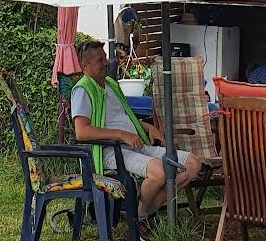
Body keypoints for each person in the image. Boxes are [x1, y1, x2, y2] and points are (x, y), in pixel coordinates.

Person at [70, 39, 200, 224]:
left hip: (136, 143)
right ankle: (141, 216)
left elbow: (125, 116)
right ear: (85, 65)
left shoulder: (110, 84)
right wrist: (121, 134)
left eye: (105, 57)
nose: (106, 63)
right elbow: (81, 132)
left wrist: (148, 127)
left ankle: (143, 209)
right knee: (160, 171)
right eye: (100, 60)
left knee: (193, 164)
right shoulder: (83, 89)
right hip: (109, 151)